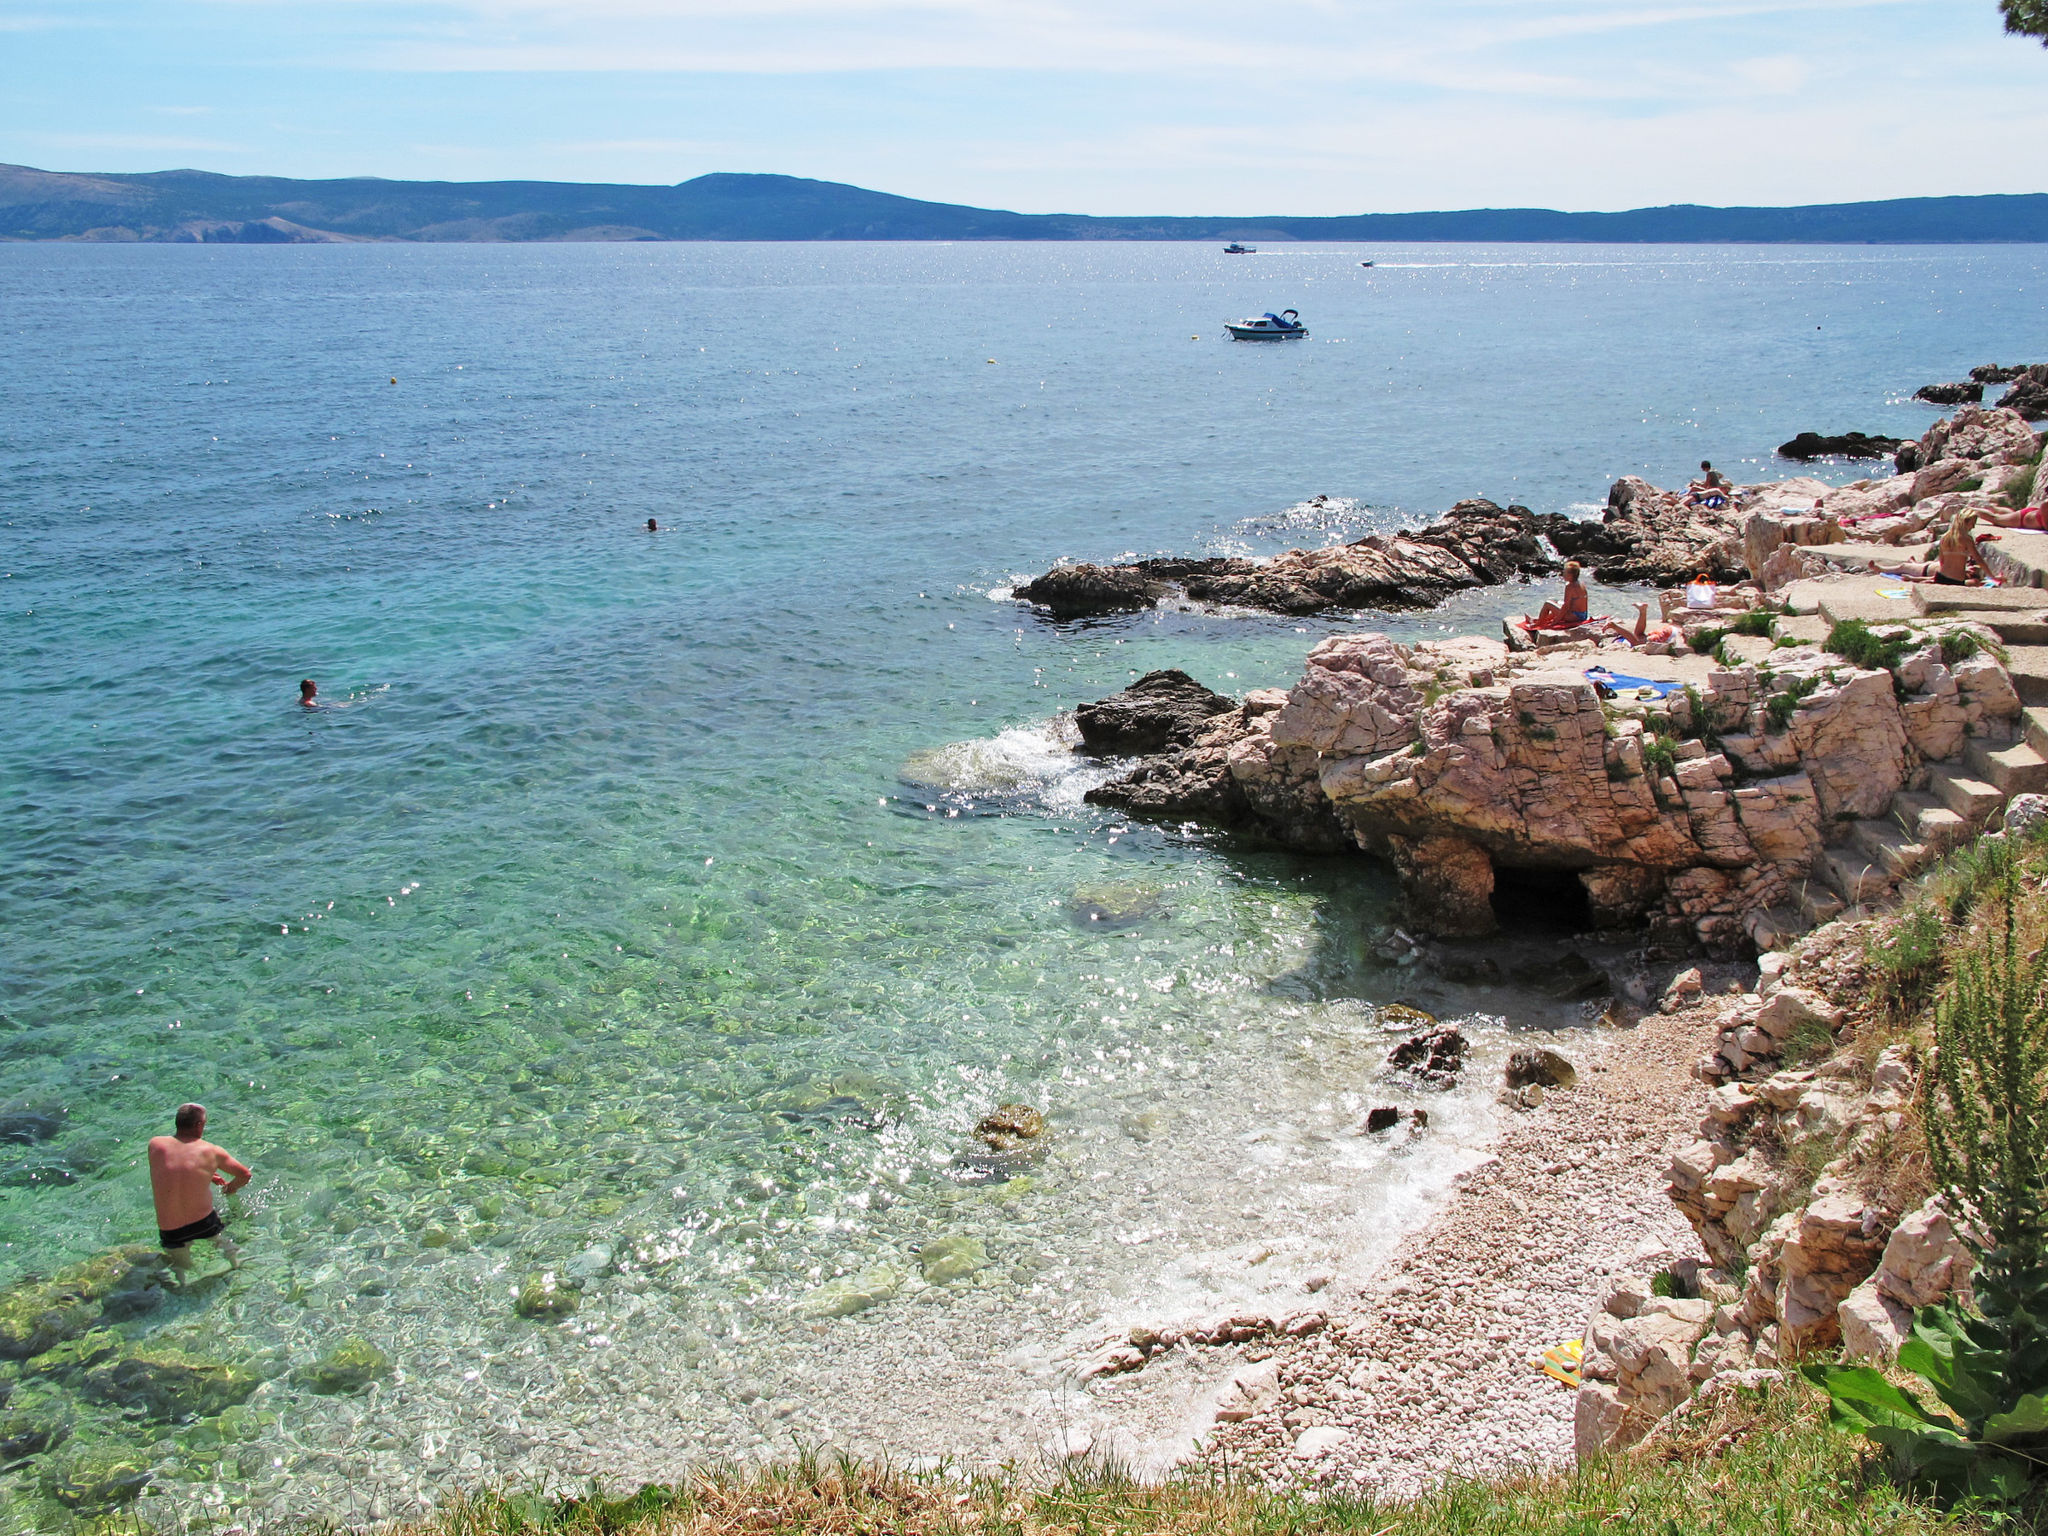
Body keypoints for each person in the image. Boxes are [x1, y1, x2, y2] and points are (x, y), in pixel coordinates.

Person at [148, 1103, 250, 1273]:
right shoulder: (211, 1151)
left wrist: (205, 1174)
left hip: (170, 1229)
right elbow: (244, 1175)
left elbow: (173, 1166)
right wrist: (230, 1189)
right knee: (226, 1246)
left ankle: (182, 1286)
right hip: (203, 1223)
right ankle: (237, 1270)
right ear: (199, 1125)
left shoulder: (155, 1145)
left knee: (182, 1268)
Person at [1531, 561, 1591, 629]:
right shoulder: (1581, 584)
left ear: (1570, 575)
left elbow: (1565, 606)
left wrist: (1556, 621)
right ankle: (1544, 619)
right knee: (1556, 601)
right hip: (1583, 615)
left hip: (1575, 617)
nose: (1563, 574)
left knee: (1547, 604)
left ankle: (1539, 623)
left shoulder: (1570, 586)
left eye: (1565, 573)